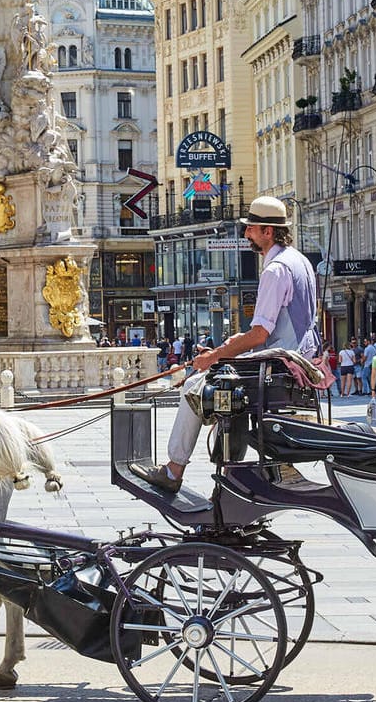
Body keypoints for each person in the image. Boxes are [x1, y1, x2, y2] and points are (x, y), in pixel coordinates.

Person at [131, 197, 319, 494]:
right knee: (217, 378)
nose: (246, 235)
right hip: (298, 359)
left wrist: (215, 356)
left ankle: (174, 469)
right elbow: (270, 328)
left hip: (278, 365)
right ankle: (228, 464)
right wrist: (230, 347)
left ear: (268, 232)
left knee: (195, 386)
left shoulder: (275, 270)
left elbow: (259, 335)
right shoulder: (301, 262)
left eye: (251, 229)